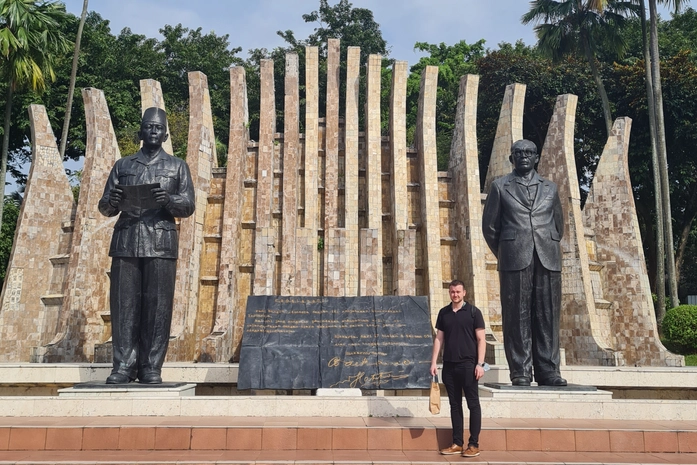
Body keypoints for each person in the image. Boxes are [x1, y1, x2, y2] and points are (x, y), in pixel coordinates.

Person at [98, 107, 195, 384]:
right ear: (141, 131)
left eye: (158, 128)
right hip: (126, 240)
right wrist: (113, 201)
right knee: (123, 305)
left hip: (161, 242)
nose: (153, 131)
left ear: (165, 133)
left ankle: (151, 366)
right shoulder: (123, 166)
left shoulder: (177, 166)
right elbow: (104, 207)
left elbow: (188, 205)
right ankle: (123, 366)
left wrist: (168, 200)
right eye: (148, 127)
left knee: (158, 306)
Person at [481, 139, 566, 387]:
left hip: (547, 255)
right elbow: (490, 228)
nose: (524, 157)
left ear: (536, 157)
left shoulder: (550, 188)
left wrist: (544, 243)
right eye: (518, 153)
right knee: (516, 315)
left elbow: (558, 226)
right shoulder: (499, 187)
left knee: (548, 315)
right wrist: (508, 249)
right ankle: (520, 370)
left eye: (529, 152)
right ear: (511, 158)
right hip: (513, 256)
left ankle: (548, 370)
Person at [430, 280, 486, 458]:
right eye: (452, 292)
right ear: (449, 293)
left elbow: (481, 340)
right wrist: (433, 363)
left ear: (464, 293)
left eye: (458, 292)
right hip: (449, 365)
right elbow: (439, 339)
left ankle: (474, 444)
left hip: (469, 366)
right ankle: (457, 443)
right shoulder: (444, 313)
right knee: (455, 405)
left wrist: (480, 364)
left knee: (473, 404)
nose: (455, 294)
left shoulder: (473, 312)